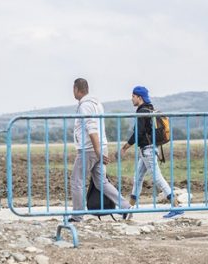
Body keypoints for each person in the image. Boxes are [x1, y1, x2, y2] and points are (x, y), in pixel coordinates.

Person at [69, 78, 131, 222]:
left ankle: (77, 215)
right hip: (101, 147)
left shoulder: (85, 106)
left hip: (89, 149)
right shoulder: (97, 104)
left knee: (76, 180)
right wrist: (100, 151)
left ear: (77, 89)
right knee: (101, 182)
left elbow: (92, 129)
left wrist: (97, 151)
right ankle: (126, 207)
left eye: (73, 89)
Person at [119, 86, 184, 219]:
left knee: (157, 178)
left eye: (133, 96)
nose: (131, 99)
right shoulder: (149, 109)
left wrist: (125, 147)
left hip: (147, 150)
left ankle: (176, 206)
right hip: (147, 150)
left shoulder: (142, 112)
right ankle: (129, 210)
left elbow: (138, 133)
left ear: (139, 97)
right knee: (137, 179)